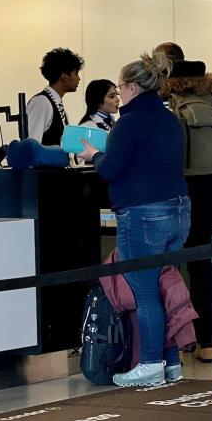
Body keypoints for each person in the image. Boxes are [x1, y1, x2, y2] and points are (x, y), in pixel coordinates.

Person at [78, 52, 191, 387]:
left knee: (145, 293)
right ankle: (171, 362)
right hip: (179, 209)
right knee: (164, 286)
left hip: (142, 214)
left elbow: (111, 168)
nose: (119, 94)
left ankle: (151, 362)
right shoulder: (170, 118)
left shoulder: (129, 123)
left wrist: (94, 154)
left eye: (120, 88)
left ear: (130, 86)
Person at [156, 43, 212, 363]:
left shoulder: (171, 109)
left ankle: (181, 339)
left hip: (183, 196)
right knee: (207, 268)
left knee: (171, 269)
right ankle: (210, 340)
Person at [26, 48, 84, 145]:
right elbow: (32, 144)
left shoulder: (55, 103)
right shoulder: (41, 103)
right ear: (64, 76)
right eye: (76, 73)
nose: (78, 78)